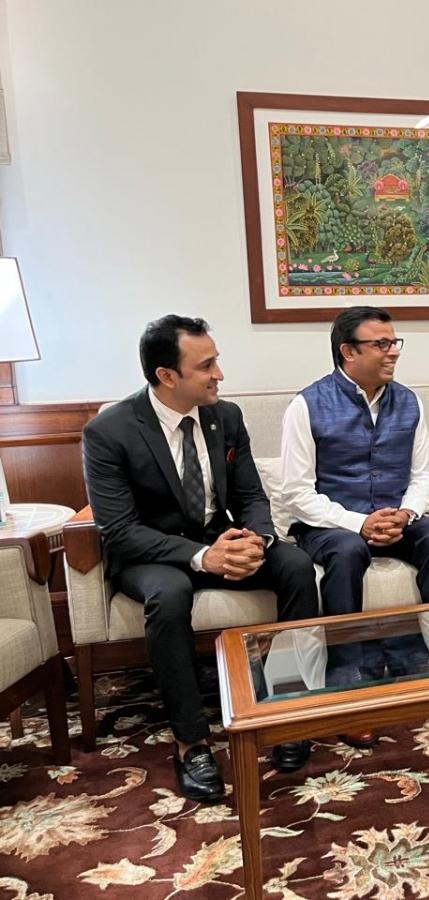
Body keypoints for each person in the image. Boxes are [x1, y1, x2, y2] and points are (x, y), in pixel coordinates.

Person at [82, 316, 320, 803]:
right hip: (152, 551)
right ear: (167, 376)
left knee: (295, 566)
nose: (219, 374)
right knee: (169, 595)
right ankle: (191, 742)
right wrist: (202, 557)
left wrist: (256, 538)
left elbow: (252, 494)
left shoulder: (225, 416)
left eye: (217, 360)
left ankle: (284, 707)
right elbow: (121, 530)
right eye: (206, 365)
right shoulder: (109, 432)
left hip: (222, 538)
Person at [280, 306, 429, 744]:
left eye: (394, 343)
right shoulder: (306, 405)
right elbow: (296, 492)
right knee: (348, 553)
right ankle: (350, 688)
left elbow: (422, 475)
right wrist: (359, 523)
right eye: (380, 344)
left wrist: (407, 513)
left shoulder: (409, 401)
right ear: (348, 351)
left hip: (396, 516)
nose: (393, 353)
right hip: (330, 523)